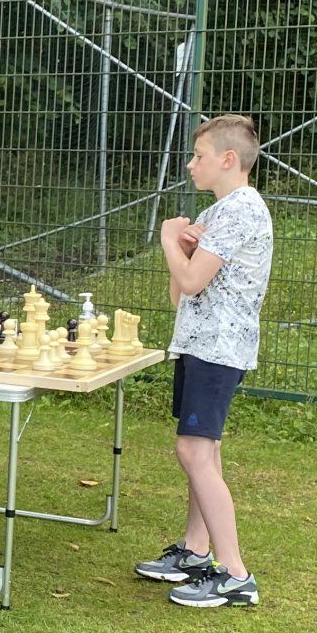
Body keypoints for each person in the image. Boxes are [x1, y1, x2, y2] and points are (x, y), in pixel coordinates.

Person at [135, 114, 273, 608]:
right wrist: (182, 247)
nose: (191, 165)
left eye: (198, 156)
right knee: (204, 452)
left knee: (193, 452)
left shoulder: (241, 210)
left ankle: (235, 574)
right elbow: (181, 293)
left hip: (219, 349)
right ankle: (196, 551)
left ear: (228, 159)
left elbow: (192, 281)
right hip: (198, 344)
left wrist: (169, 241)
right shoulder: (217, 212)